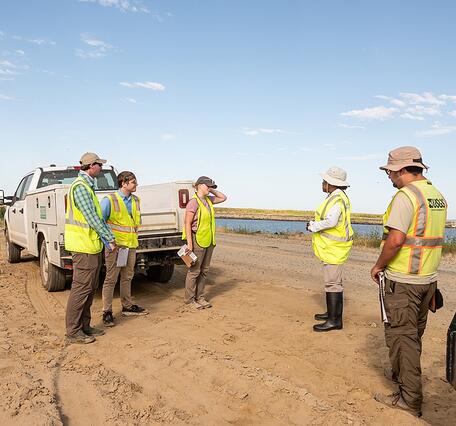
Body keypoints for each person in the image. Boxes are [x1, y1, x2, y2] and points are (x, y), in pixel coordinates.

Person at [371, 146, 447, 417]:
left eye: (390, 172)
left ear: (402, 170)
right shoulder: (436, 195)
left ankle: (409, 400)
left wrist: (379, 265)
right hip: (428, 281)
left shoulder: (405, 196)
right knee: (413, 337)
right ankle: (404, 379)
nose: (389, 177)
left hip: (404, 282)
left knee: (403, 340)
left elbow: (396, 240)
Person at [65, 152, 116, 344]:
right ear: (92, 166)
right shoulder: (80, 187)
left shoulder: (87, 186)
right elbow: (93, 218)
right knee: (81, 289)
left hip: (91, 246)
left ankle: (85, 326)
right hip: (83, 246)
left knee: (89, 288)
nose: (101, 169)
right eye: (99, 165)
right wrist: (109, 238)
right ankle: (73, 331)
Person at [307, 166, 353, 332]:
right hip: (333, 248)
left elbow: (331, 222)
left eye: (325, 181)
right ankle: (332, 314)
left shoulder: (337, 199)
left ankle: (334, 321)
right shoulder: (336, 197)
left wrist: (313, 226)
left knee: (333, 284)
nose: (322, 184)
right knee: (334, 282)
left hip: (334, 248)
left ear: (332, 183)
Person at [100, 171, 148, 327]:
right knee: (111, 279)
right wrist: (108, 243)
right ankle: (107, 312)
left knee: (128, 277)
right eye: (133, 182)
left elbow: (134, 223)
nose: (136, 185)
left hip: (130, 245)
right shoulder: (109, 200)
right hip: (115, 247)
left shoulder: (136, 200)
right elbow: (100, 223)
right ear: (124, 183)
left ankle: (127, 306)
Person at [182, 176, 227, 309]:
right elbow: (187, 223)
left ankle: (200, 297)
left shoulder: (208, 200)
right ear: (200, 185)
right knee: (194, 271)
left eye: (211, 186)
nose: (210, 188)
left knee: (204, 271)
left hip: (209, 241)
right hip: (197, 240)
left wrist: (212, 189)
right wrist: (190, 243)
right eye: (208, 185)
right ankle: (189, 301)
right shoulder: (193, 202)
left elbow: (223, 197)